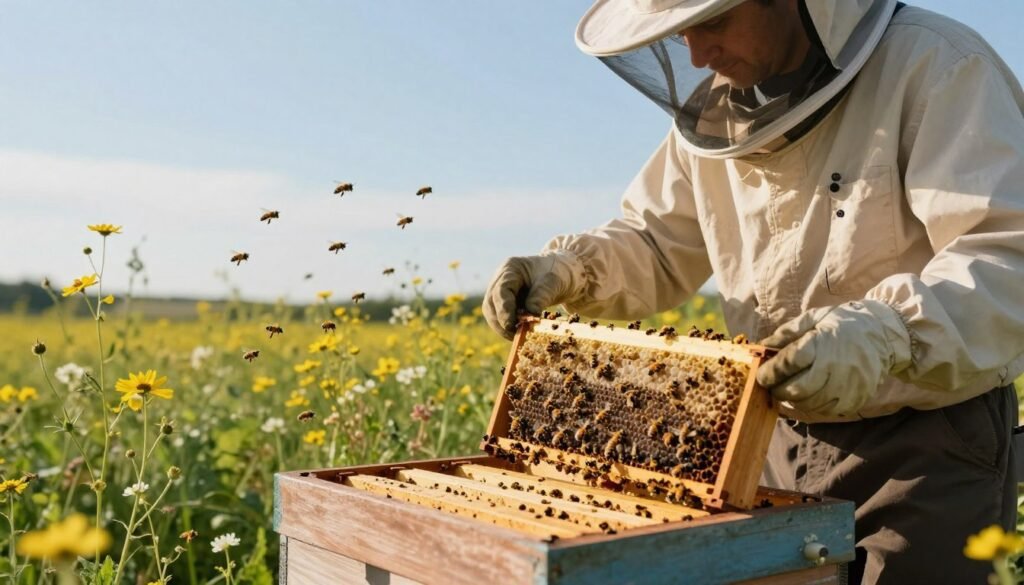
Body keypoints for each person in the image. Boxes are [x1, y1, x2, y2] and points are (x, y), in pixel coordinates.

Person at [482, 0, 1024, 582]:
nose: (696, 53)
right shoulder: (718, 109)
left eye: (713, 21)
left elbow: (1004, 253)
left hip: (923, 448)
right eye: (679, 32)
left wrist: (882, 334)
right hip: (763, 437)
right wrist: (570, 269)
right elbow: (658, 239)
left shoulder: (938, 65)